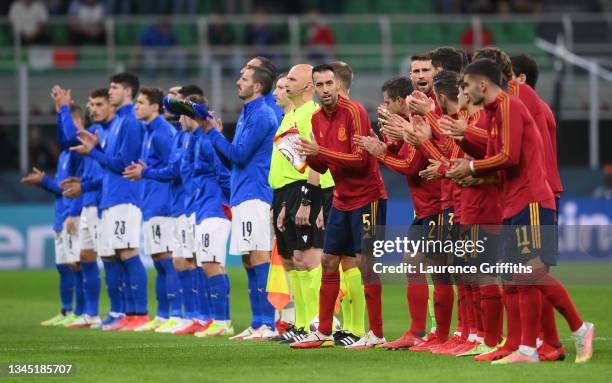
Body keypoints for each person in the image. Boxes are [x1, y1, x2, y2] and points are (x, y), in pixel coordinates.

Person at [447, 58, 594, 364]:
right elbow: (495, 159)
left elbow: (509, 157)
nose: (464, 90)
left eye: (467, 84)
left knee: (531, 271)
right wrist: (468, 163)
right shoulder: (494, 111)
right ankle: (527, 348)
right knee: (518, 275)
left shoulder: (509, 106)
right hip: (512, 201)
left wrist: (472, 166)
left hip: (531, 200)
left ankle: (580, 327)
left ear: (482, 84)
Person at [292, 64, 388, 349]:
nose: (325, 90)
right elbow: (324, 165)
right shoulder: (318, 119)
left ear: (337, 85)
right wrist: (308, 156)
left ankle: (377, 334)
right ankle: (323, 331)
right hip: (342, 199)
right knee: (328, 260)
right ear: (314, 88)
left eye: (329, 83)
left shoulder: (354, 111)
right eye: (319, 85)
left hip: (368, 197)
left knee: (366, 264)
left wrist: (320, 152)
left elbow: (359, 160)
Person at [202, 66, 278, 340]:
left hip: (255, 193)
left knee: (258, 256)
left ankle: (268, 322)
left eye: (244, 79)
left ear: (257, 87)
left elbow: (239, 155)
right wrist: (217, 136)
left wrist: (212, 133)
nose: (238, 82)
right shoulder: (249, 113)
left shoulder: (261, 115)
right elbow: (234, 158)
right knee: (248, 258)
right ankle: (258, 322)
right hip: (242, 194)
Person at [71, 72, 148, 331]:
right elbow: (111, 161)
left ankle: (139, 313)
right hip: (111, 197)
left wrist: (94, 152)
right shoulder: (117, 123)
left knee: (127, 252)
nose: (110, 91)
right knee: (114, 255)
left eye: (113, 88)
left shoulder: (129, 121)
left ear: (127, 91)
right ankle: (122, 312)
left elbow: (124, 164)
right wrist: (98, 149)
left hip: (125, 196)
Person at [121, 87, 182, 332]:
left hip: (163, 204)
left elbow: (174, 168)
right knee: (158, 260)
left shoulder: (162, 132)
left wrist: (145, 172)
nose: (136, 106)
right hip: (151, 202)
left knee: (166, 260)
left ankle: (176, 314)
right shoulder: (149, 131)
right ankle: (164, 313)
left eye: (141, 102)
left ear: (154, 107)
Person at [25, 104, 85, 327]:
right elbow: (63, 188)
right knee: (63, 266)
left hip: (73, 214)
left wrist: (44, 183)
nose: (66, 128)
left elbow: (73, 188)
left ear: (80, 123)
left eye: (70, 123)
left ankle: (80, 311)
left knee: (75, 263)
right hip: (61, 213)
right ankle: (66, 310)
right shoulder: (64, 155)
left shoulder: (80, 153)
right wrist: (45, 183)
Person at [182, 94, 234, 337]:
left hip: (215, 208)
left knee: (212, 264)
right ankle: (213, 318)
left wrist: (229, 202)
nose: (179, 119)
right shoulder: (195, 140)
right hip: (202, 208)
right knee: (207, 264)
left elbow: (224, 173)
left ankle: (222, 321)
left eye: (184, 113)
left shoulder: (206, 141)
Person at [52, 86, 103, 329]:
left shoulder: (100, 132)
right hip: (89, 203)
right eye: (91, 104)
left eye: (97, 104)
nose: (93, 108)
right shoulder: (73, 150)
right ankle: (90, 315)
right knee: (84, 257)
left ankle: (128, 313)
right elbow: (66, 139)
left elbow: (71, 137)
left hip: (100, 202)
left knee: (116, 258)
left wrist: (64, 106)